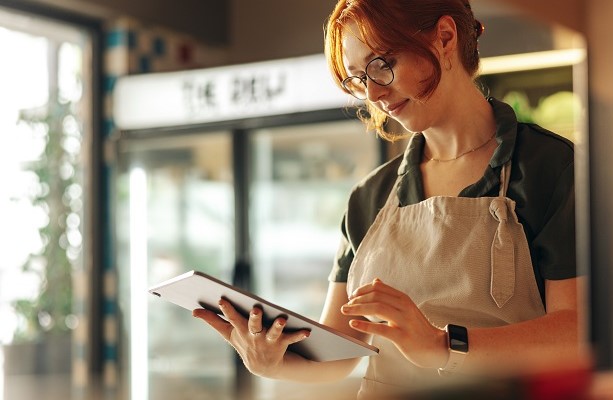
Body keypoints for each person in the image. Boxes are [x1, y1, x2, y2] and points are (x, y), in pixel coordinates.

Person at [193, 0, 583, 397]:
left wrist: (443, 346)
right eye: (358, 79)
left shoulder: (549, 168)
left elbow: (577, 329)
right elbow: (340, 355)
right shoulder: (370, 197)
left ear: (445, 38)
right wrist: (274, 361)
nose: (375, 94)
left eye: (382, 64)